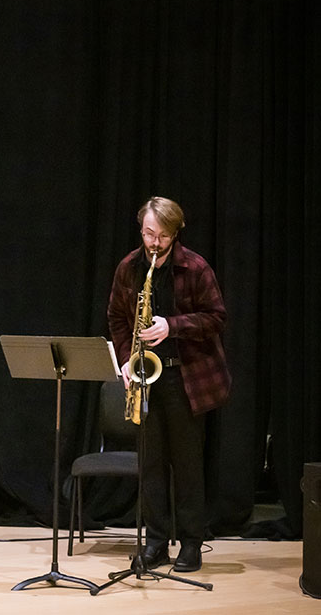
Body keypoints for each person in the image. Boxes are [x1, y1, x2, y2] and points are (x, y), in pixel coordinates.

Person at [107, 196, 230, 573]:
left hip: (185, 376)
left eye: (161, 235)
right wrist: (128, 358)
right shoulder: (129, 267)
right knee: (152, 465)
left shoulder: (194, 267)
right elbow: (116, 317)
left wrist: (171, 326)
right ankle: (156, 542)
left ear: (175, 233)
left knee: (188, 465)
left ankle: (191, 543)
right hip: (147, 378)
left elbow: (216, 317)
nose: (153, 243)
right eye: (147, 233)